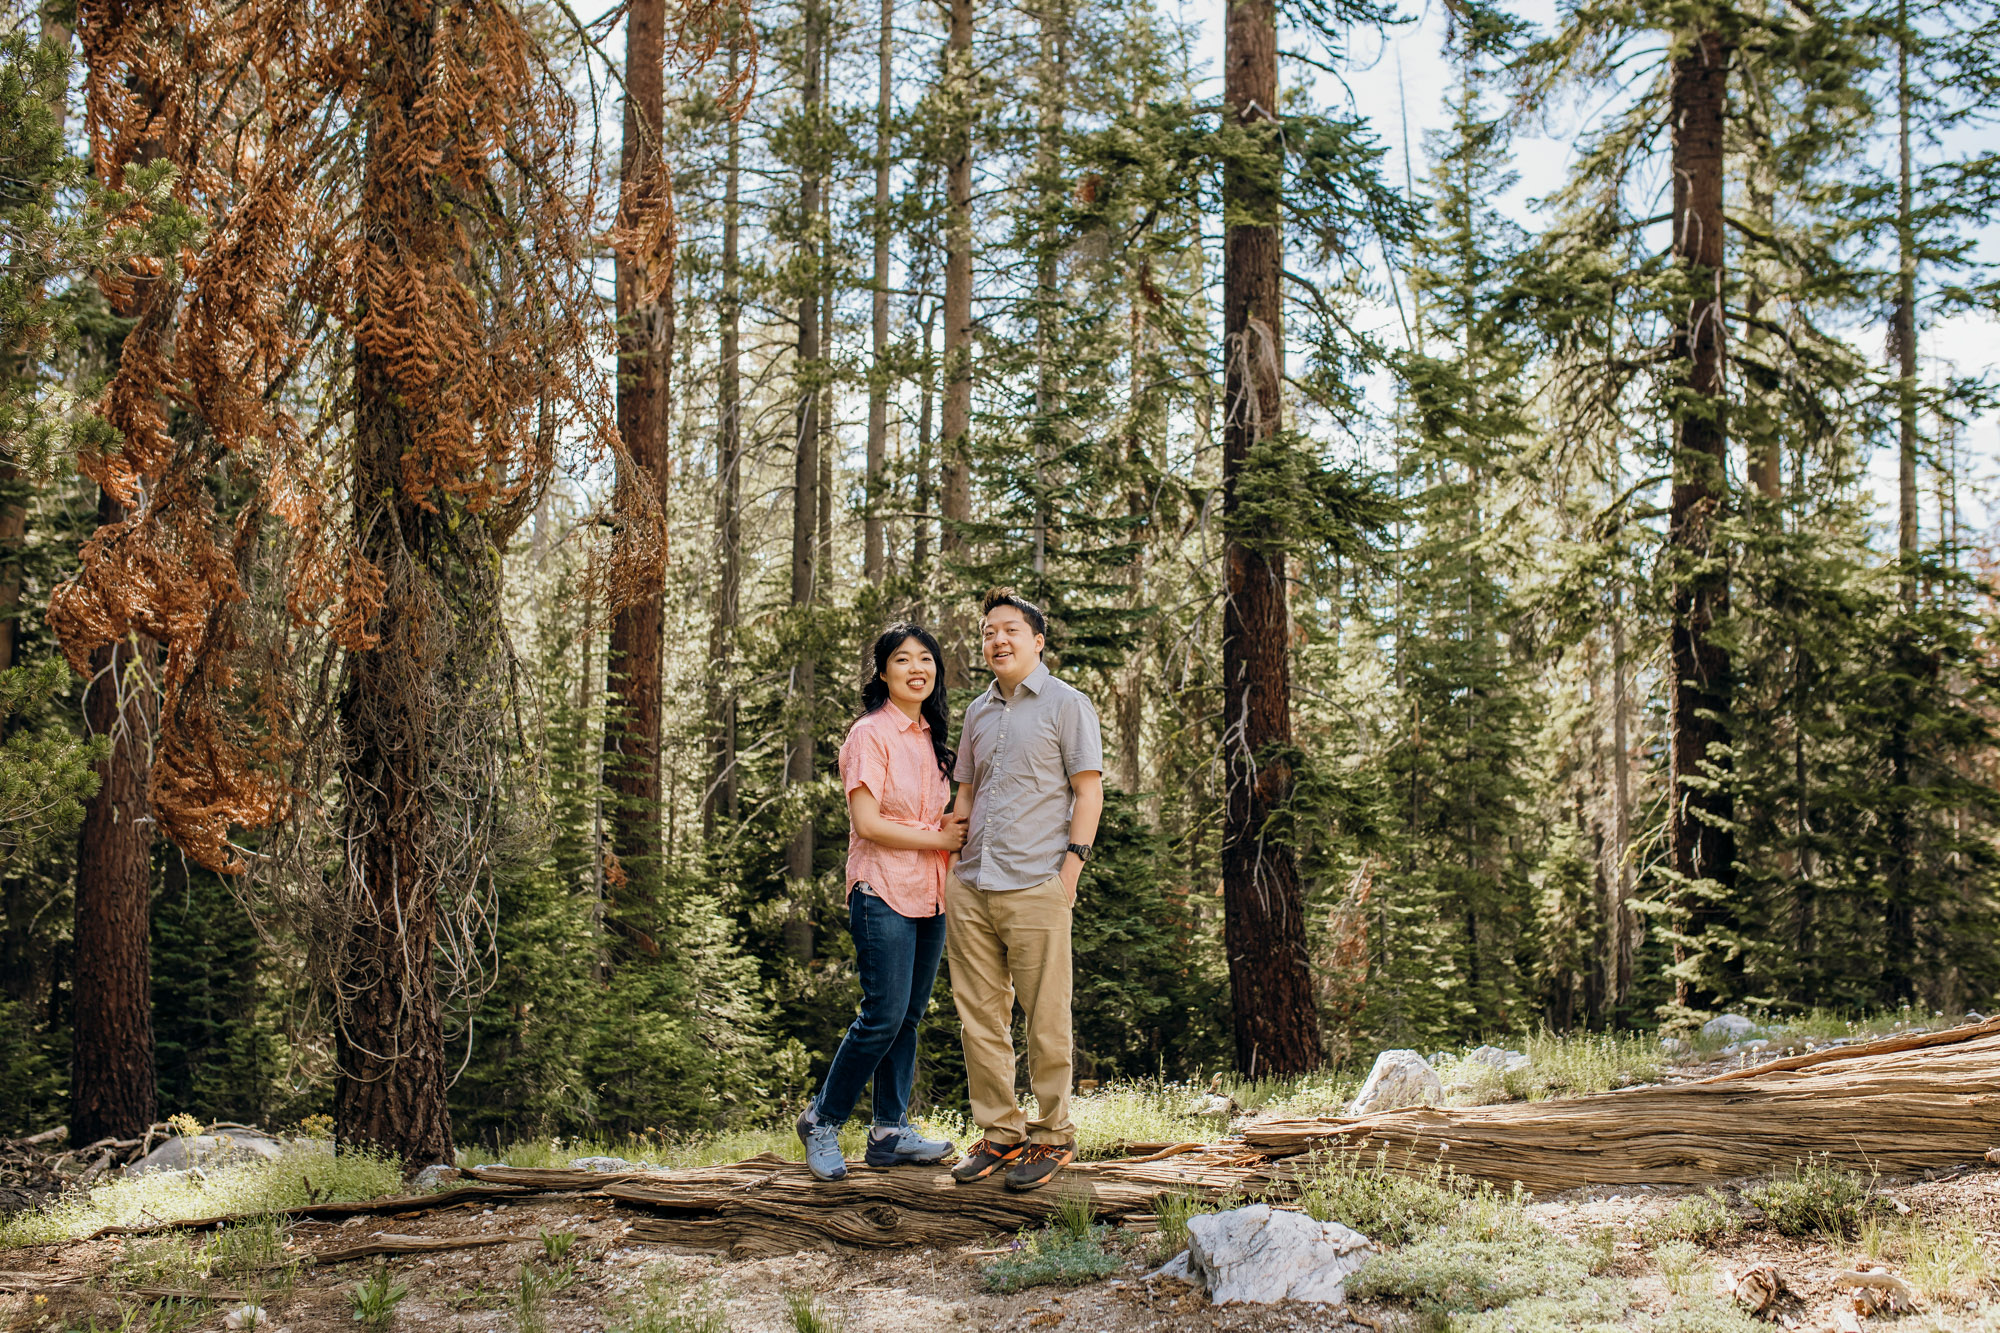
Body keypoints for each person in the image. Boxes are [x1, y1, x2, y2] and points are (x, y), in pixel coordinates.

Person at [795, 623, 968, 1181]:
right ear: (882, 672)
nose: (917, 668)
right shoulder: (868, 734)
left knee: (909, 1018)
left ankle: (889, 1131)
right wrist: (939, 838)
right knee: (882, 1015)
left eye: (926, 659)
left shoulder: (930, 738)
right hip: (882, 889)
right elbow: (867, 824)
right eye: (902, 660)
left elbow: (934, 813)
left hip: (932, 892)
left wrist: (948, 829)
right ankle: (822, 1119)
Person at [945, 589, 1103, 1192]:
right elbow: (965, 794)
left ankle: (1053, 1134)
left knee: (1045, 1015)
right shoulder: (977, 713)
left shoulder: (1068, 704)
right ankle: (999, 1134)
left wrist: (1069, 875)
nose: (998, 640)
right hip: (972, 884)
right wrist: (952, 862)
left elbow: (1088, 793)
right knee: (980, 1018)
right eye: (988, 632)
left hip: (1037, 883)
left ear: (1038, 640)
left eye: (1010, 629)